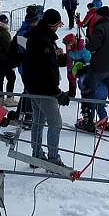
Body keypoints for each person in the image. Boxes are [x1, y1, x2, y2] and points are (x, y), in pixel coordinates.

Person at [22, 9, 69, 167]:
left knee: (38, 122)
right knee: (55, 122)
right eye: (57, 25)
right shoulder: (42, 40)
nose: (58, 28)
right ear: (52, 25)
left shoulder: (39, 37)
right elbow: (44, 70)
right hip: (43, 89)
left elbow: (45, 63)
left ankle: (36, 155)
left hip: (33, 87)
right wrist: (57, 92)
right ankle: (53, 159)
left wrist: (56, 57)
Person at [0, 15, 18, 105]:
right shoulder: (4, 33)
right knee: (11, 78)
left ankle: (0, 100)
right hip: (5, 60)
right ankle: (9, 98)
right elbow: (8, 48)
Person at [62, 32, 91, 97]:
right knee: (71, 78)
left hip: (85, 67)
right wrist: (70, 70)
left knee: (82, 81)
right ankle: (71, 93)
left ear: (72, 42)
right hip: (76, 65)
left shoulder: (83, 48)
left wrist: (83, 68)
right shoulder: (69, 49)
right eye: (66, 45)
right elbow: (69, 60)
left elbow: (88, 60)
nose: (67, 47)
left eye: (68, 44)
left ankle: (87, 96)